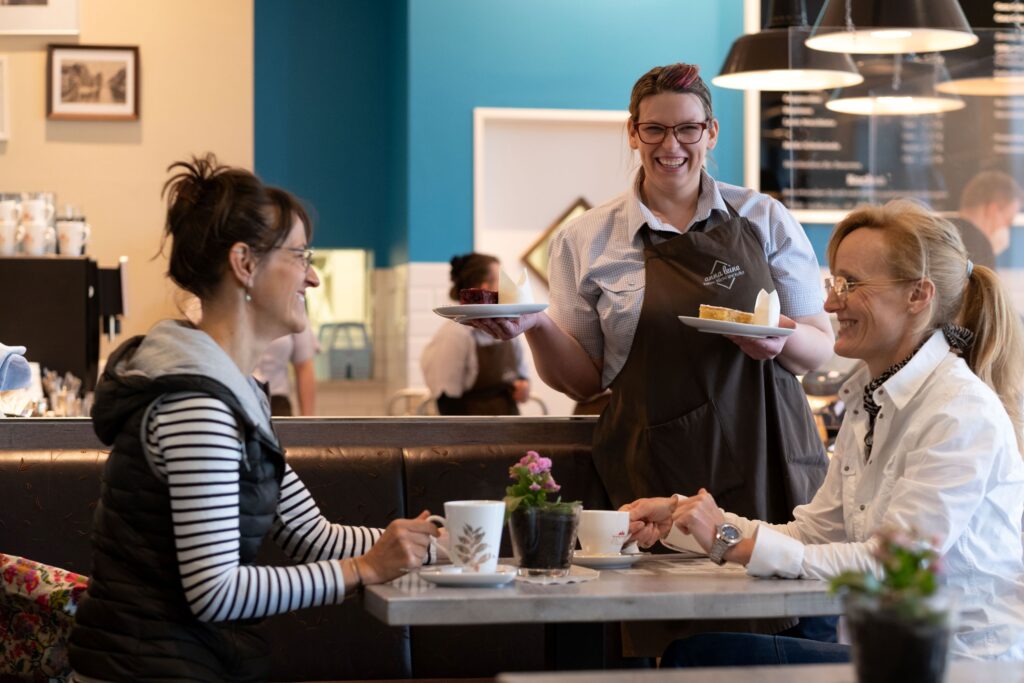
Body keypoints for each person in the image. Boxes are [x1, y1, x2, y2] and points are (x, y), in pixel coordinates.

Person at [69, 155, 439, 682]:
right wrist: (363, 570)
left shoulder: (232, 392)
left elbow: (314, 535)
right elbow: (216, 592)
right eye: (300, 255)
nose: (312, 276)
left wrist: (421, 545)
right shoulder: (198, 404)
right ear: (244, 263)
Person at [626, 199, 1024, 666]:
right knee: (699, 655)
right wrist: (688, 522)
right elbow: (813, 534)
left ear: (918, 295)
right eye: (833, 282)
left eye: (850, 285)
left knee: (702, 659)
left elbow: (894, 566)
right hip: (883, 654)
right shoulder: (868, 399)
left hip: (958, 664)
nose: (831, 303)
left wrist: (731, 542)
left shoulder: (959, 412)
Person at [471, 63, 834, 523]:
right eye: (655, 129)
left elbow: (816, 348)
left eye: (687, 129)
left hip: (768, 446)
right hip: (657, 460)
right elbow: (586, 381)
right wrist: (536, 324)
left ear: (711, 132)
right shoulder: (585, 239)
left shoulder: (764, 218)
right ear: (633, 133)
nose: (671, 145)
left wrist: (780, 337)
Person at [421, 252, 530, 415]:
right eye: (502, 280)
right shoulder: (454, 334)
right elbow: (447, 403)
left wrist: (523, 386)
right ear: (485, 288)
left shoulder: (508, 326)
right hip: (471, 432)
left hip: (509, 426)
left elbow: (521, 376)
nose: (507, 287)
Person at [950, 170, 1022, 270]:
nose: (1007, 228)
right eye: (1008, 220)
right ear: (992, 210)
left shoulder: (941, 237)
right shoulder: (981, 251)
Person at [254, 325, 318, 416]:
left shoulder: (292, 312)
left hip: (276, 402)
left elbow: (304, 366)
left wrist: (307, 424)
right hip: (236, 397)